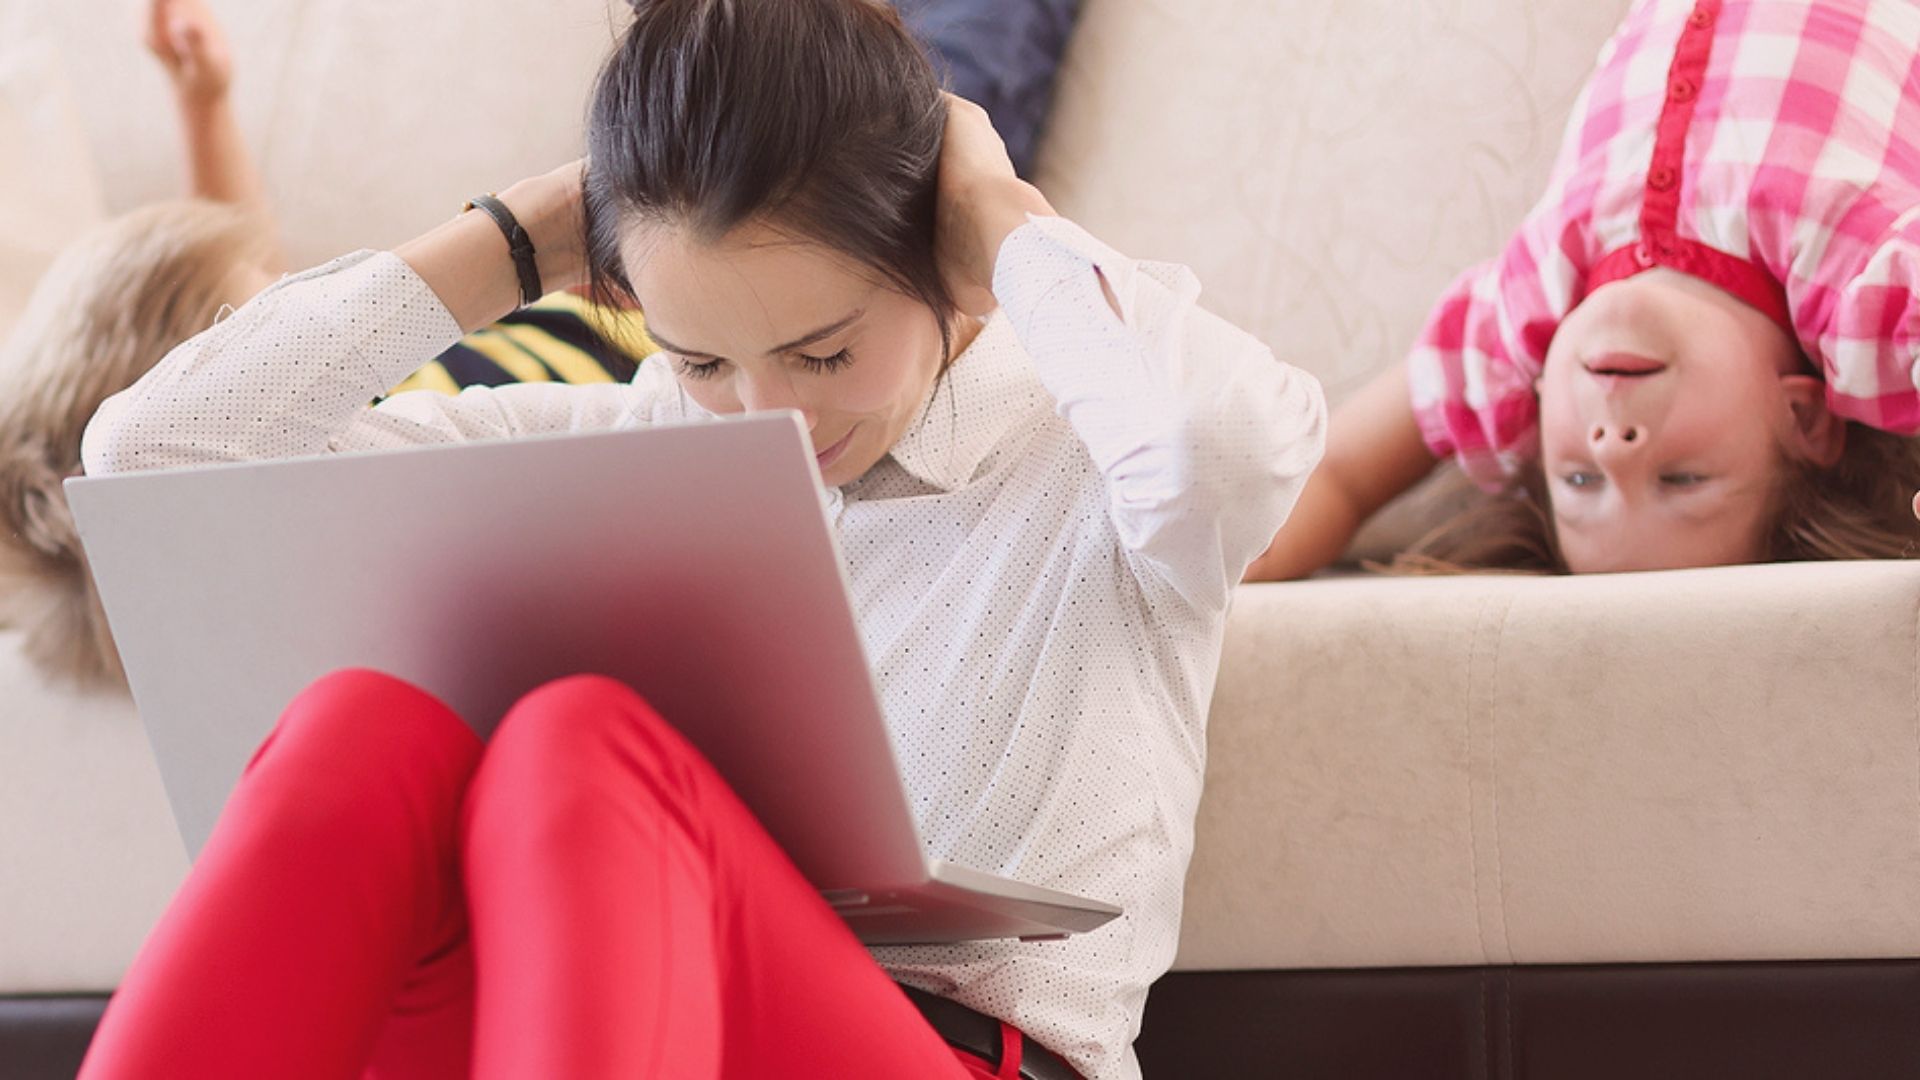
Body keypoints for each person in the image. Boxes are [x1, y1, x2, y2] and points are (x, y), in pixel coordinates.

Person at [72, 1, 1326, 1077]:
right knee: (362, 731)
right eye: (704, 357)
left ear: (940, 262)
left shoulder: (1098, 450)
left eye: (825, 349)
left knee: (585, 742)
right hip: (624, 1025)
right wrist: (532, 233)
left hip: (950, 1051)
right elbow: (155, 461)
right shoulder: (625, 442)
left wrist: (998, 215)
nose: (771, 414)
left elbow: (1230, 450)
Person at [0, 0, 649, 689]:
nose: (297, 297)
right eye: (276, 316)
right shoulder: (373, 462)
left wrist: (205, 104)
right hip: (629, 344)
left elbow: (243, 299)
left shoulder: (308, 396)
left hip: (579, 307)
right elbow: (236, 378)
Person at [1246, 0, 1920, 581]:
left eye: (1580, 479)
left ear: (1538, 423)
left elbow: (1339, 475)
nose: (1611, 444)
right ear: (1802, 420)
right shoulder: (1870, 310)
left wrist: (1208, 567)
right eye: (1682, 478)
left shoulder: (1519, 325)